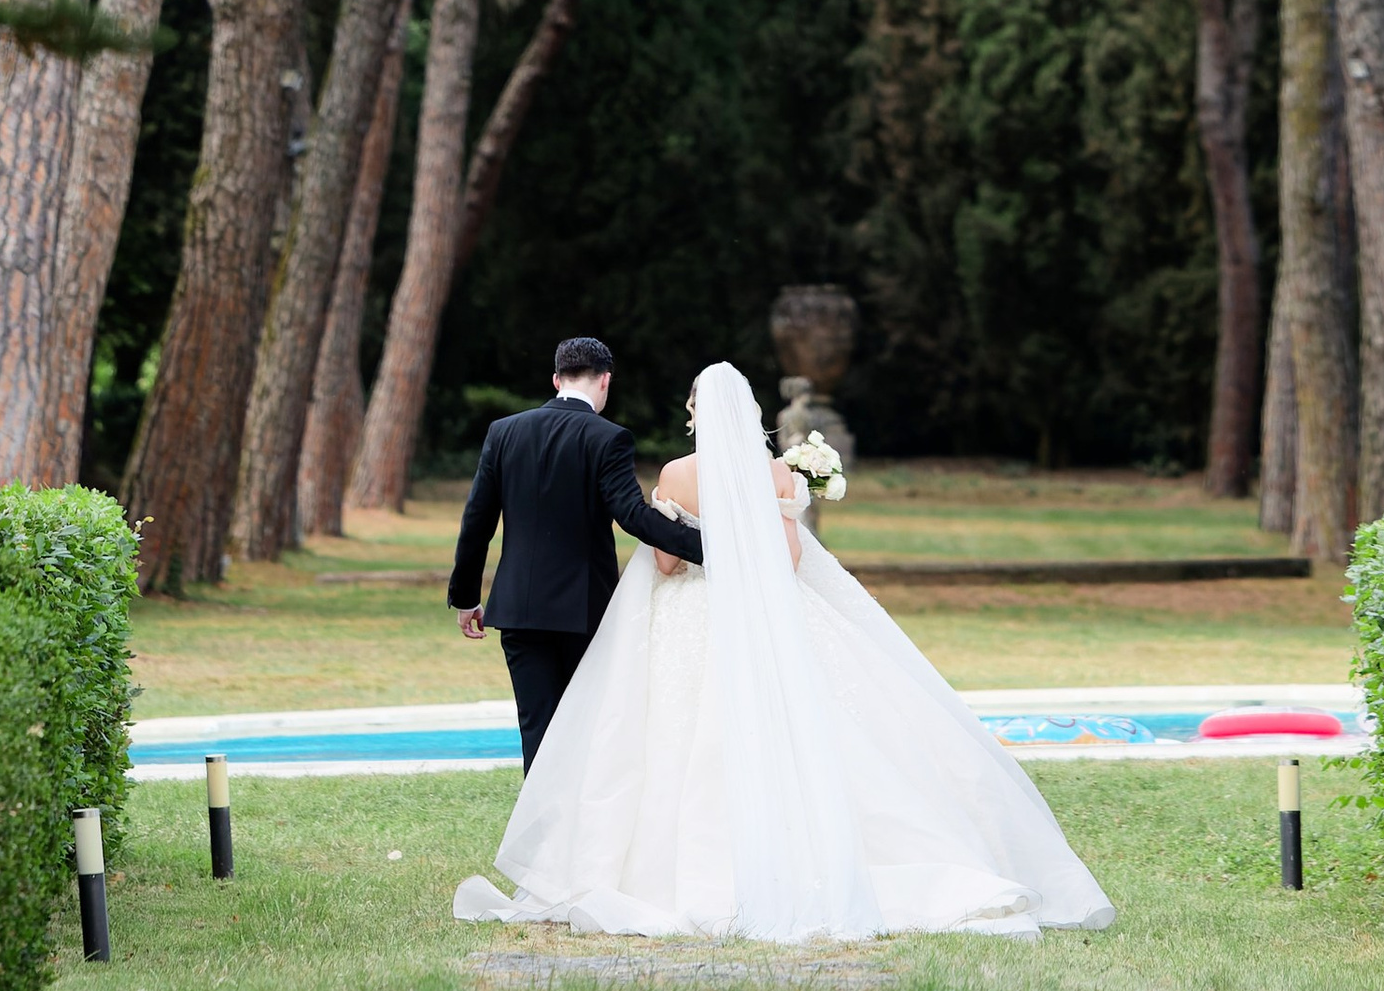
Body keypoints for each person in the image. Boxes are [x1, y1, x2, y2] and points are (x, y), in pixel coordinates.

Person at [454, 358, 1114, 940]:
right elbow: (791, 560)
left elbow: (664, 563)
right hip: (763, 611)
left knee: (662, 735)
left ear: (696, 413)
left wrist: (698, 548)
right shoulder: (775, 472)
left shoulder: (677, 474)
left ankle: (603, 859)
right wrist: (744, 553)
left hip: (682, 615)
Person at [447, 333, 706, 769]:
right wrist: (709, 547)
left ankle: (538, 813)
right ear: (605, 380)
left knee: (537, 726)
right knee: (586, 724)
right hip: (582, 606)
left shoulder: (503, 432)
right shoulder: (608, 437)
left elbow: (477, 521)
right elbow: (632, 515)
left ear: (556, 379)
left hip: (518, 608)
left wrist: (466, 597)